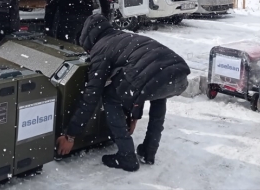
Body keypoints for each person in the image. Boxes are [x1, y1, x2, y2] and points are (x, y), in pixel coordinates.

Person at [55, 14, 190, 172]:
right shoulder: (123, 36)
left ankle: (127, 156)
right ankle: (149, 151)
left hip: (156, 75)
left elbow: (92, 95)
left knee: (110, 97)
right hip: (179, 73)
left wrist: (70, 136)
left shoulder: (101, 47)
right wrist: (134, 115)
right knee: (158, 96)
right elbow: (142, 82)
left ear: (87, 35)